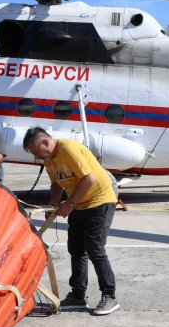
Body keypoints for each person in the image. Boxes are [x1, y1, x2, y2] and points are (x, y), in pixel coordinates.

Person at [23, 126, 120, 316]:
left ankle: (109, 295)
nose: (38, 157)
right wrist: (52, 204)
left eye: (37, 152)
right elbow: (56, 183)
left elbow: (89, 179)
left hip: (99, 200)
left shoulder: (68, 148)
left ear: (46, 142)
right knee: (76, 250)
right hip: (79, 204)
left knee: (95, 249)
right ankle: (77, 295)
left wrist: (70, 203)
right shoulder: (50, 159)